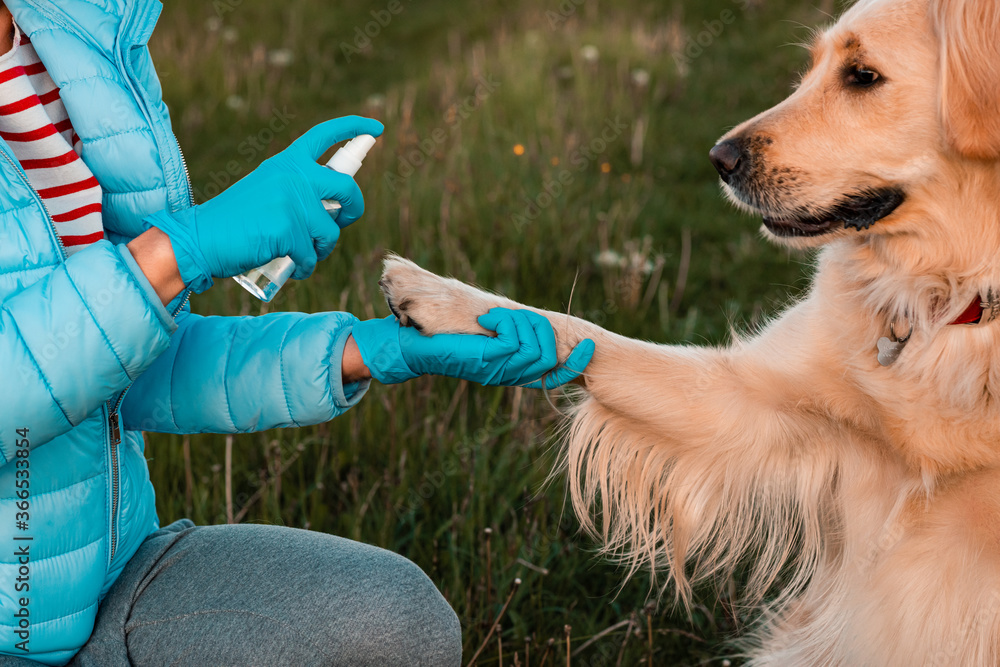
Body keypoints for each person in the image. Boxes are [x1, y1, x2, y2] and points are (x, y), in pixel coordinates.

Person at [0, 1, 594, 665]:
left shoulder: (75, 43)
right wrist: (179, 251)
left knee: (392, 622)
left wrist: (366, 351)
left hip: (114, 588)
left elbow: (127, 369)